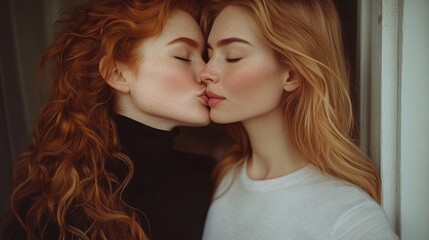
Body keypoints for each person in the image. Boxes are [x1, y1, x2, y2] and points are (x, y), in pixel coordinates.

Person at [2, 0, 215, 239]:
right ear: (117, 74)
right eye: (183, 57)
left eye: (205, 56)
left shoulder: (209, 178)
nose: (208, 72)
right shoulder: (51, 208)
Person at [199, 0, 399, 239]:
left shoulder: (350, 217)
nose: (205, 72)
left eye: (233, 57)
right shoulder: (224, 177)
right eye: (209, 55)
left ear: (292, 75)